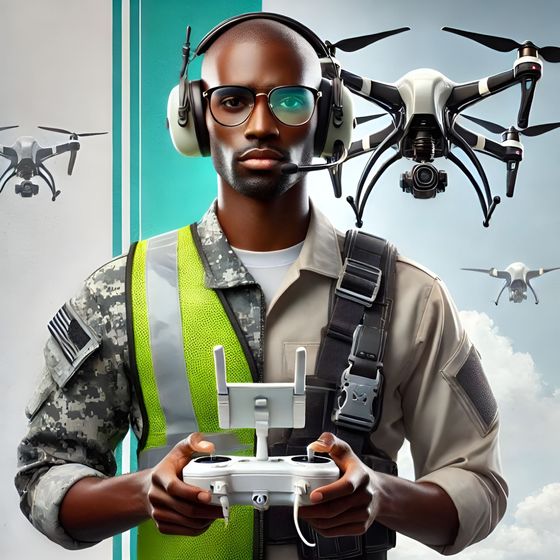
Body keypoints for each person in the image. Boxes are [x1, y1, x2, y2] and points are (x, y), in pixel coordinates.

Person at [15, 12, 507, 560]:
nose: (261, 125)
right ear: (195, 120)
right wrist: (142, 492)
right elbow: (43, 475)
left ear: (327, 120)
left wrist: (381, 496)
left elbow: (481, 488)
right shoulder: (122, 291)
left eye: (290, 101)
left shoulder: (410, 297)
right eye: (232, 100)